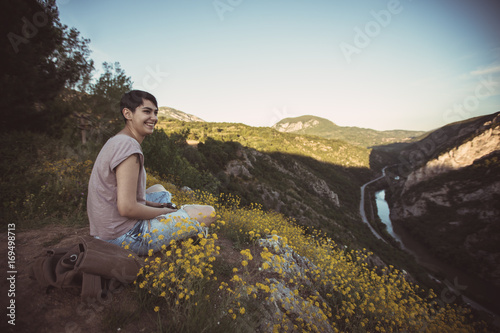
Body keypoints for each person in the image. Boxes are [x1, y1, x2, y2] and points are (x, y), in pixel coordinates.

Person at [87, 90, 216, 255]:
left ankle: (176, 216)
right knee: (208, 212)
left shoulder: (117, 140)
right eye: (146, 112)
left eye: (155, 113)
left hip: (105, 229)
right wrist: (164, 212)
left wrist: (158, 205)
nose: (154, 118)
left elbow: (126, 197)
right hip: (122, 236)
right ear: (128, 113)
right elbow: (127, 208)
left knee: (160, 190)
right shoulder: (128, 147)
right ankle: (186, 225)